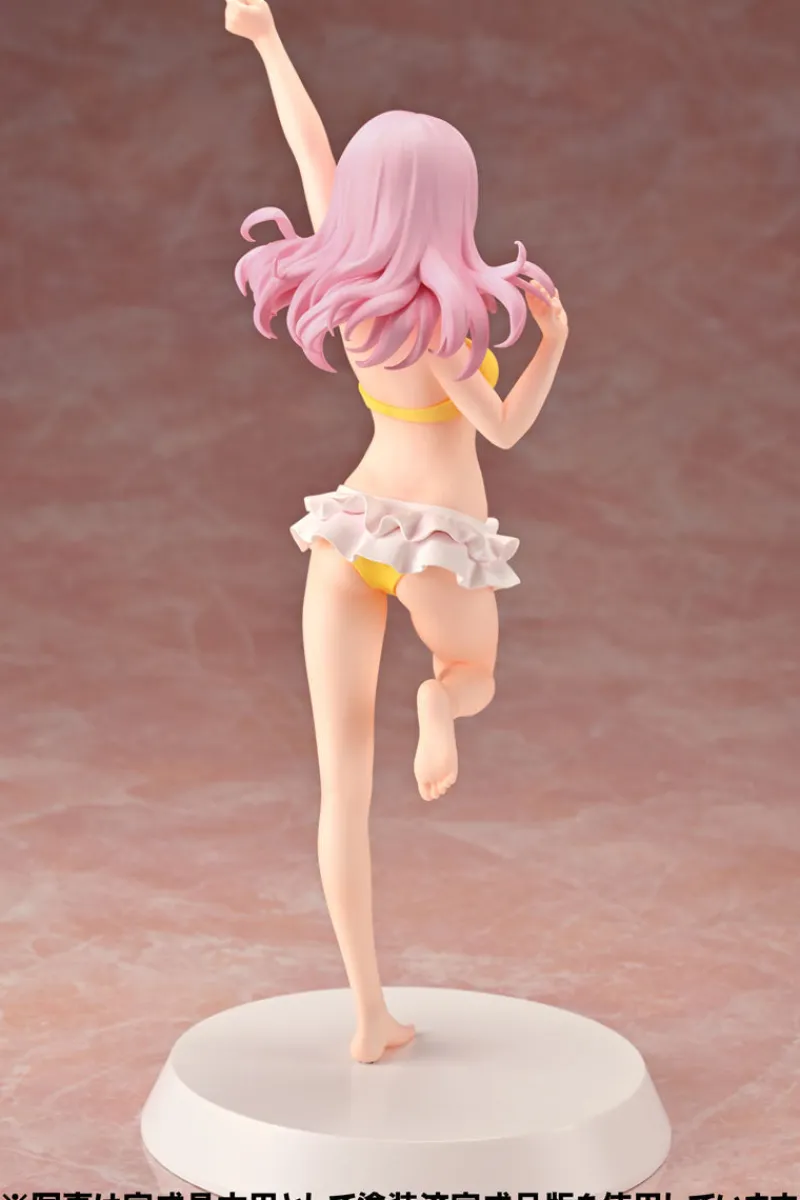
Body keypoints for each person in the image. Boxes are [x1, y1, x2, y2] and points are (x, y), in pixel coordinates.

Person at [224, 0, 569, 1064]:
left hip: (350, 525)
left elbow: (309, 148)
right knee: (471, 673)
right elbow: (502, 429)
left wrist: (266, 40)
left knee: (341, 788)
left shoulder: (353, 285)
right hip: (437, 540)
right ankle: (435, 705)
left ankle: (368, 1014)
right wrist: (553, 340)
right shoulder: (446, 326)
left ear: (370, 200)